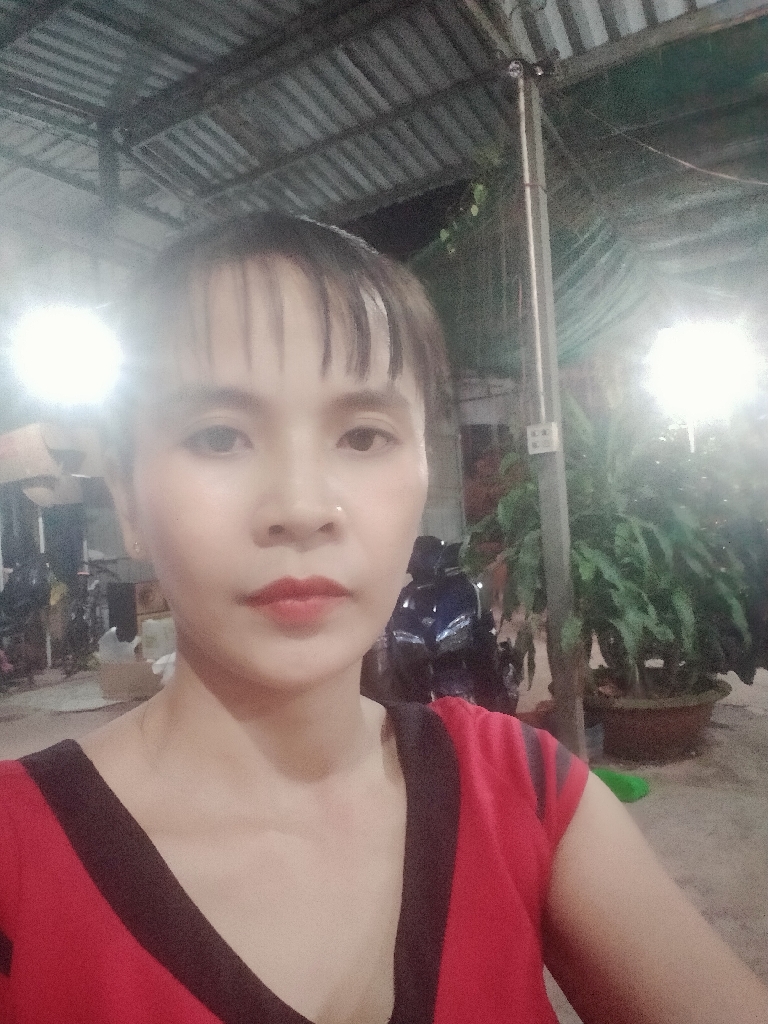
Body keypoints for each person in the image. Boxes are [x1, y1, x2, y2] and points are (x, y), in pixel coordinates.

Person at [0, 214, 766, 1024]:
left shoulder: (521, 788)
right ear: (126, 496)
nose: (302, 507)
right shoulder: (17, 855)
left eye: (364, 436)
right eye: (219, 436)